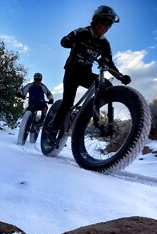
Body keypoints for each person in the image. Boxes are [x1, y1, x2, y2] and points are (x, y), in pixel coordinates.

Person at [47, 5, 131, 140]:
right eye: (104, 23)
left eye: (109, 26)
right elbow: (63, 42)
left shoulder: (105, 44)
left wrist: (121, 77)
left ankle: (105, 122)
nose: (106, 28)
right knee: (67, 103)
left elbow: (110, 64)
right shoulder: (81, 32)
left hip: (85, 74)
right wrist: (73, 41)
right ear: (96, 20)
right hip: (71, 72)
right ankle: (52, 131)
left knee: (107, 85)